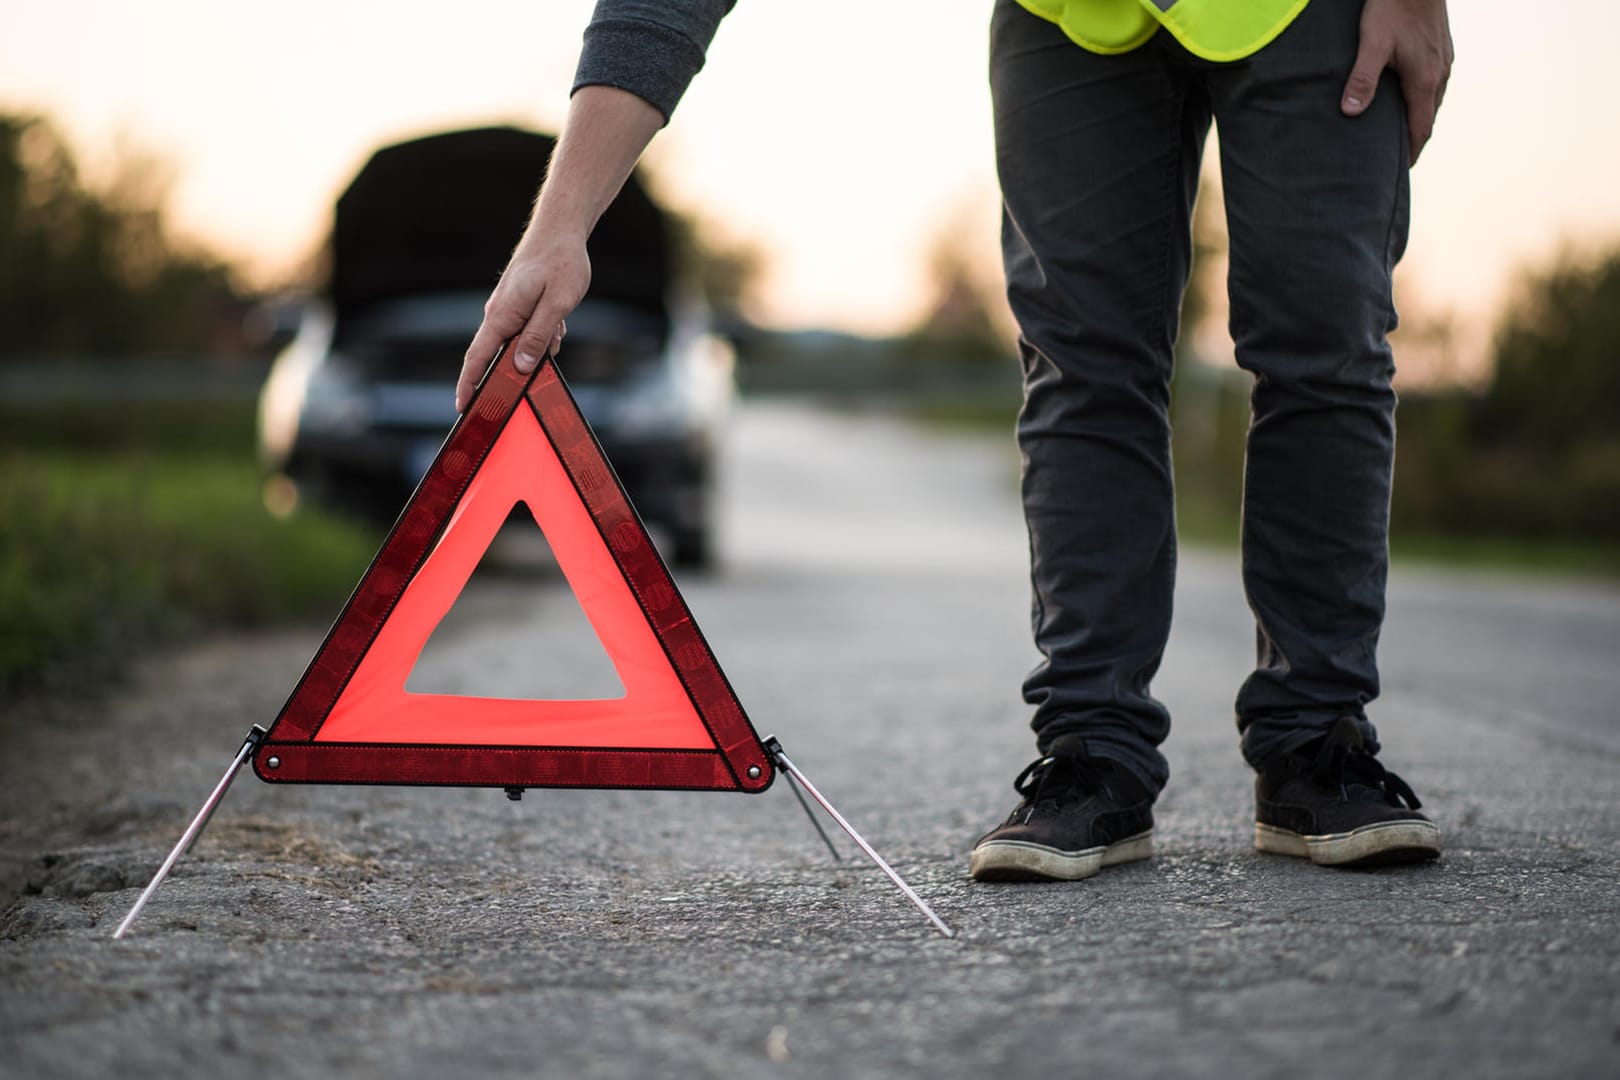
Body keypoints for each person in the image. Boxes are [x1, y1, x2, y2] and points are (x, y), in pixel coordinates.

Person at [458, 0, 1453, 881]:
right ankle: (1093, 748)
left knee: (1323, 341)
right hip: (1074, 18)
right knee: (1084, 361)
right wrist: (560, 229)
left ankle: (1317, 742)